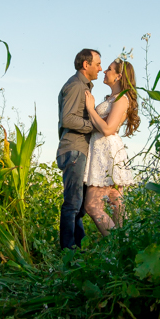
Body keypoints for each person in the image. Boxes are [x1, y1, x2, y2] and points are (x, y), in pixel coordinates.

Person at [82, 59, 139, 236]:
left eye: (109, 69)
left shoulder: (122, 99)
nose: (104, 71)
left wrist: (91, 109)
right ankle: (125, 247)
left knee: (92, 206)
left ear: (119, 76)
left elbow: (108, 129)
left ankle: (118, 245)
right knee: (116, 204)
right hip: (103, 150)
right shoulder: (113, 98)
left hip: (108, 152)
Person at [56, 48, 101, 250]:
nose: (100, 68)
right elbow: (67, 118)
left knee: (79, 206)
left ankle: (78, 247)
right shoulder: (75, 85)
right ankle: (67, 250)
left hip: (79, 149)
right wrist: (93, 126)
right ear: (86, 65)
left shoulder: (84, 86)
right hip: (73, 149)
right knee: (72, 204)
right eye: (97, 64)